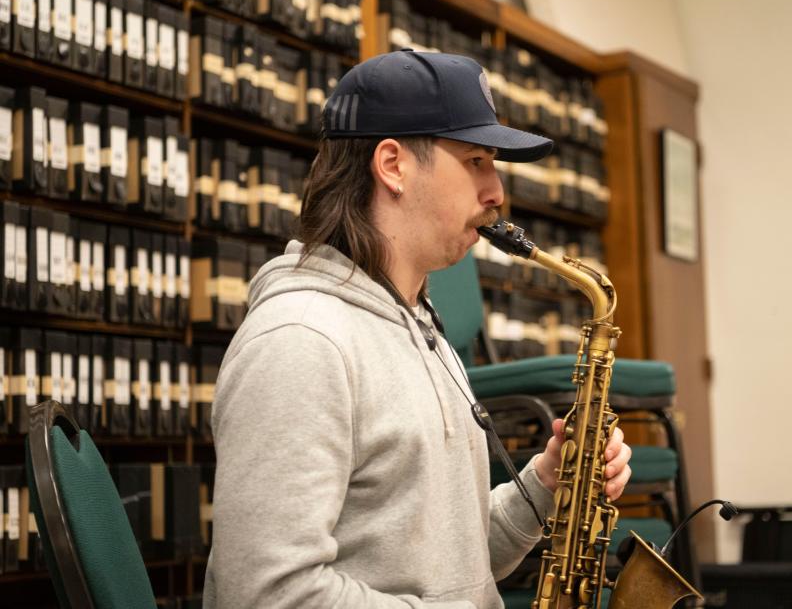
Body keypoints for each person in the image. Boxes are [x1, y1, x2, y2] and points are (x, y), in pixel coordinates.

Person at [203, 49, 633, 609]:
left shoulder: (421, 324)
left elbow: (447, 565)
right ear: (393, 165)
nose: (497, 191)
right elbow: (265, 593)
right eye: (477, 159)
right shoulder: (300, 342)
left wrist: (547, 486)